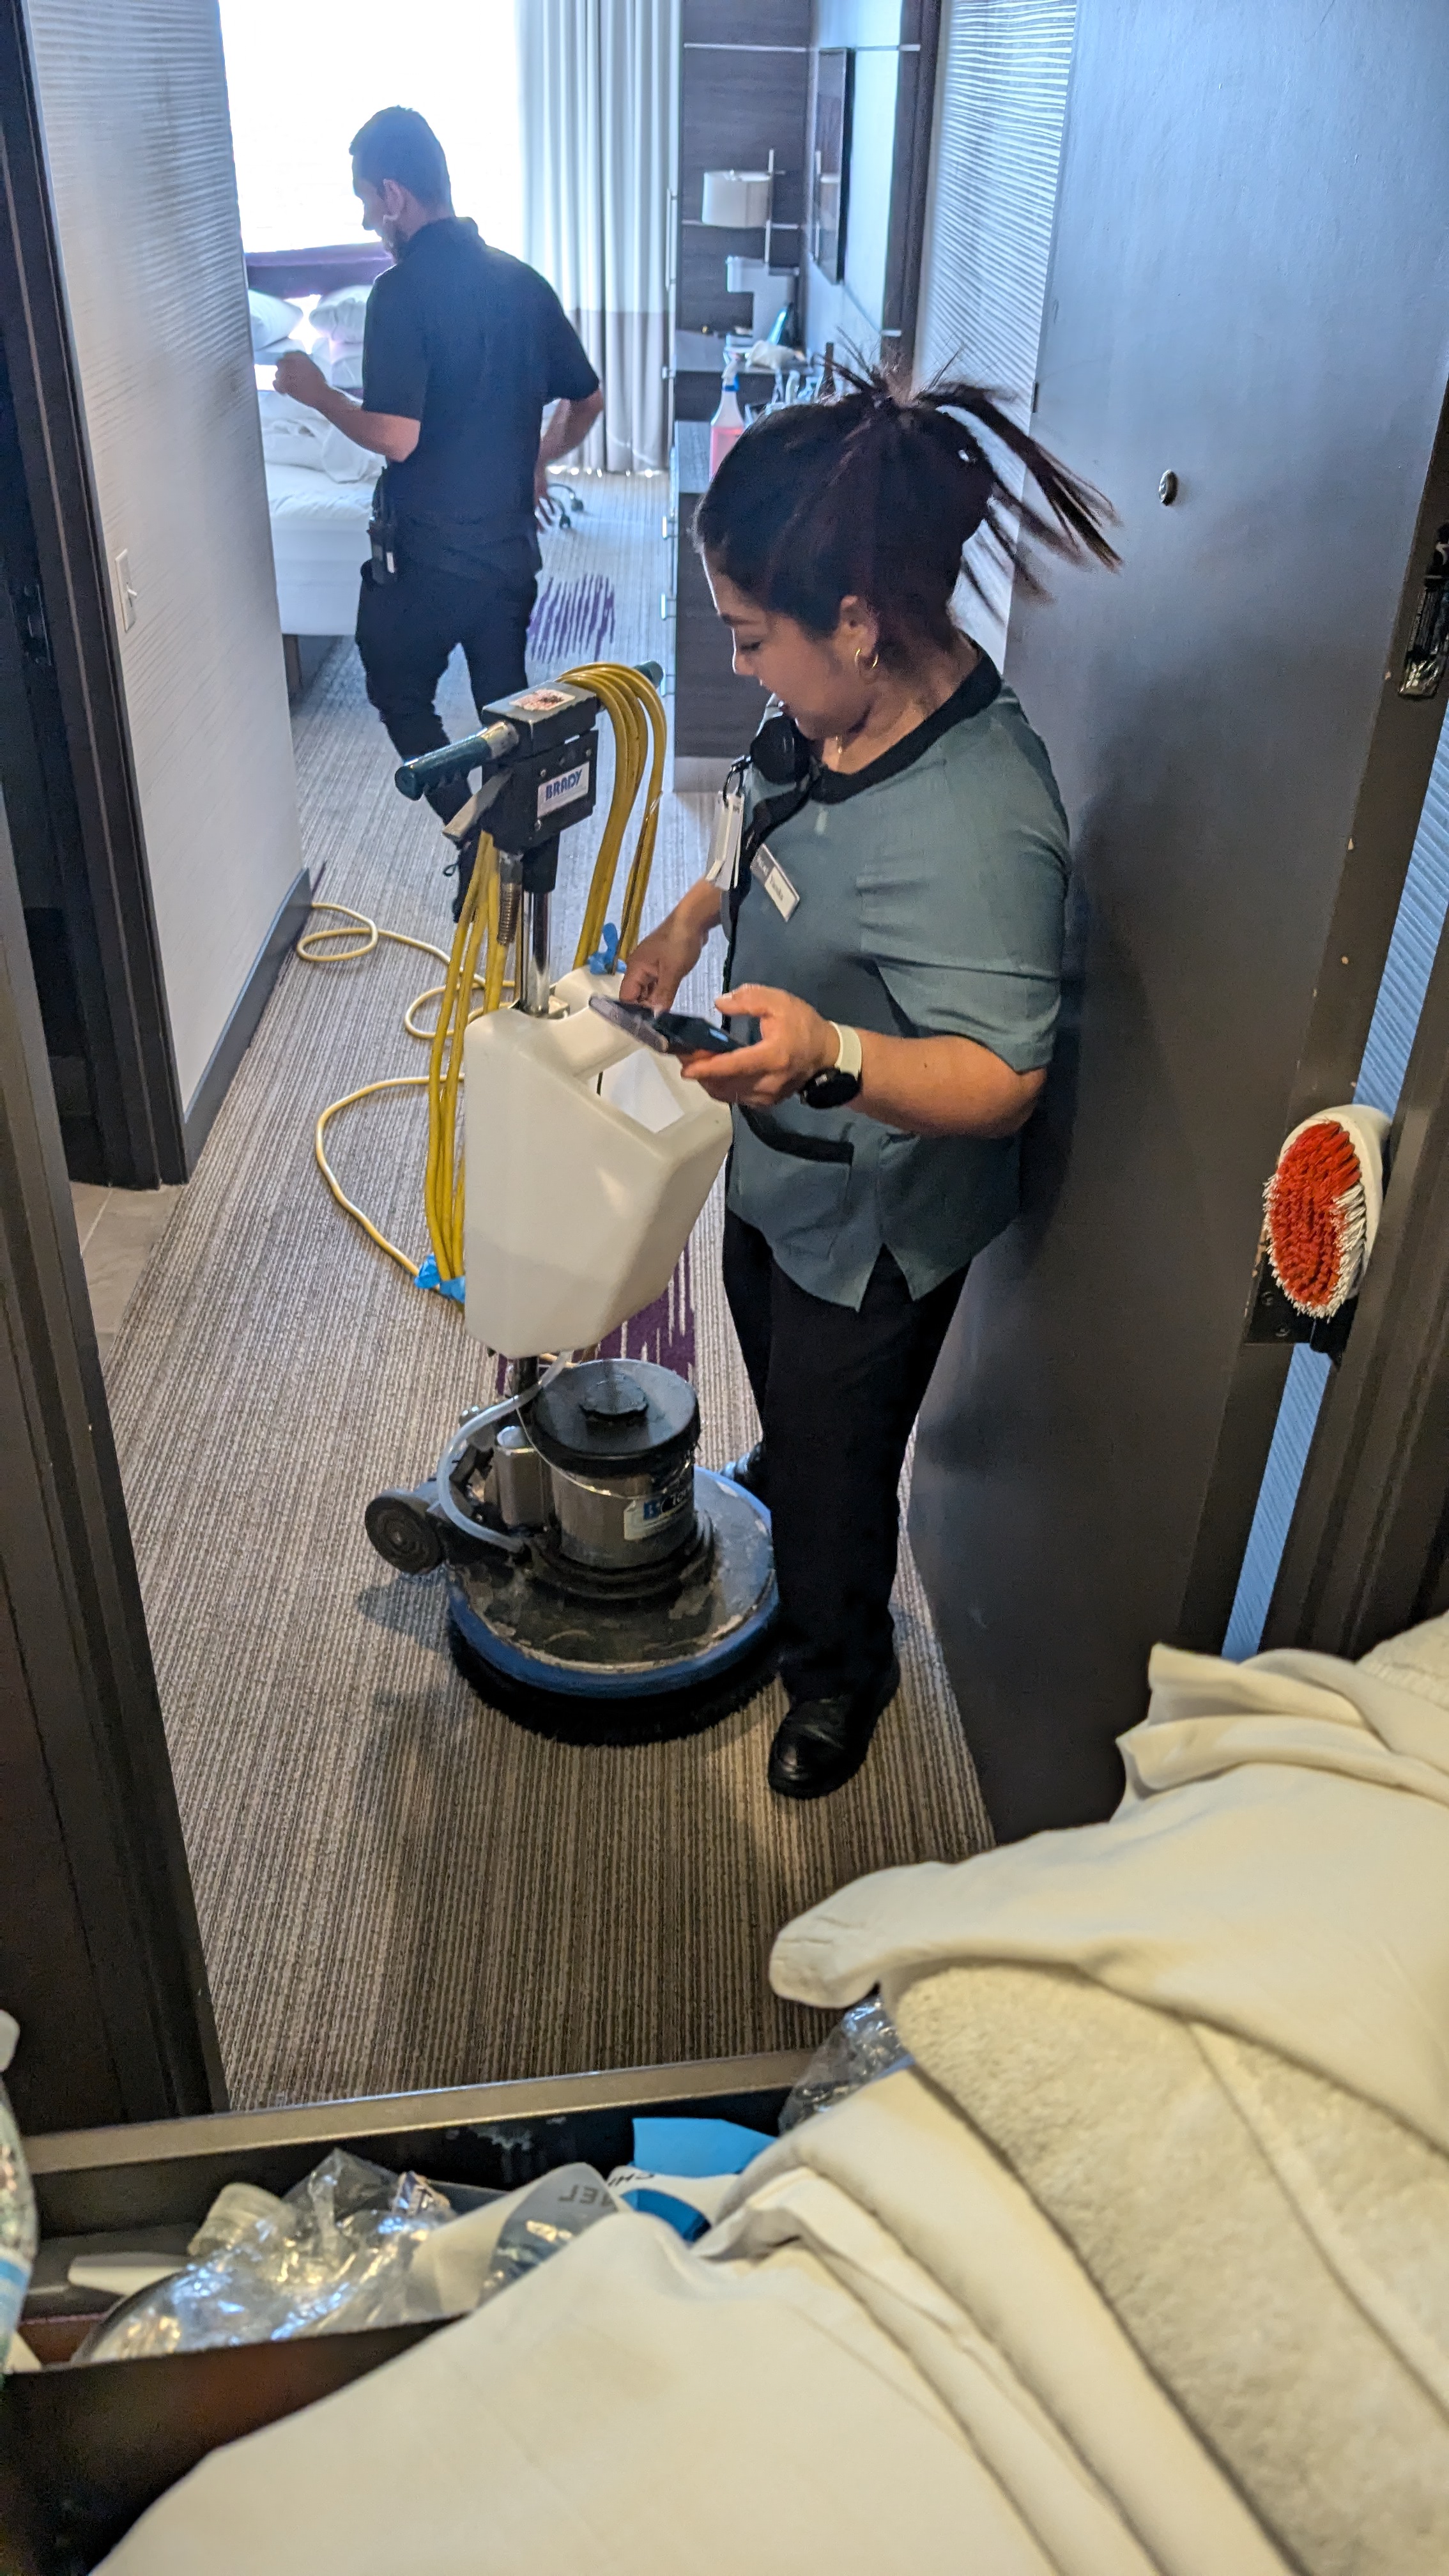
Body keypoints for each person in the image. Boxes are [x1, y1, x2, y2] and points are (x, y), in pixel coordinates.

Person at [621, 370, 1117, 1801]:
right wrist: (694, 915)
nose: (745, 672)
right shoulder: (834, 712)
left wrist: (828, 1057)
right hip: (777, 1159)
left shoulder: (982, 822)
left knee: (843, 1479)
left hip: (873, 1225)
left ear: (855, 621)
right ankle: (791, 1466)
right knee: (782, 1386)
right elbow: (765, 806)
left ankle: (840, 1671)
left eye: (751, 638)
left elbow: (1004, 1078)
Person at [273, 106, 603, 859]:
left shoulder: (400, 292)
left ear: (393, 194)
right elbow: (587, 400)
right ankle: (515, 851)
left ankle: (478, 841)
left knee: (399, 694)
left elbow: (397, 436)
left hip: (427, 562)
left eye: (366, 201)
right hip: (509, 554)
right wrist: (538, 460)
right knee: (508, 713)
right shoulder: (522, 281)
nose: (367, 220)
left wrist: (320, 395)